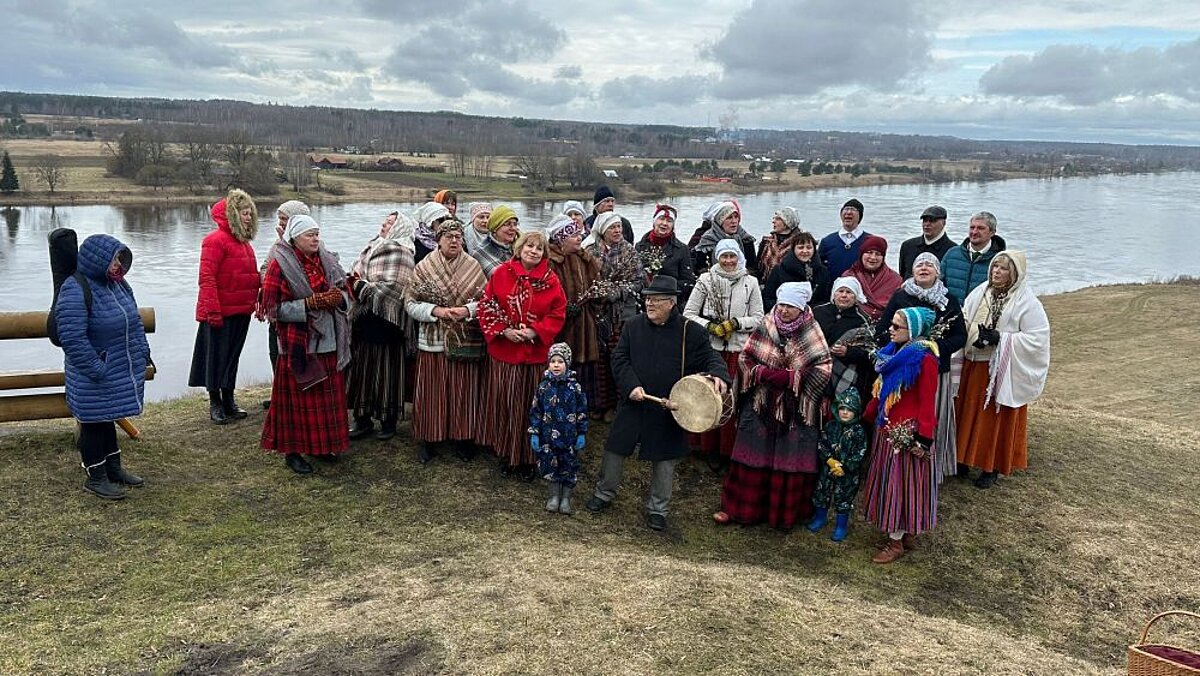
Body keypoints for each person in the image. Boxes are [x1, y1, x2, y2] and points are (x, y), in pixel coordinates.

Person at [586, 275, 731, 531]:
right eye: (647, 299)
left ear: (671, 303)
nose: (649, 304)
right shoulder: (632, 326)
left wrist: (720, 375)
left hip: (669, 408)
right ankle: (603, 493)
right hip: (634, 402)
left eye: (655, 300)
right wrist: (631, 386)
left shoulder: (691, 331)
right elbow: (619, 359)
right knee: (615, 449)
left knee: (665, 461)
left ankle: (658, 509)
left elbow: (712, 358)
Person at [712, 281, 832, 530]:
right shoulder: (766, 326)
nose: (785, 310)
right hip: (761, 403)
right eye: (782, 305)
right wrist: (761, 373)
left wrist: (792, 378)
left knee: (789, 457)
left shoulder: (812, 331)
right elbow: (746, 357)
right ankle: (738, 509)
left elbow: (823, 368)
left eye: (791, 306)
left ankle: (783, 516)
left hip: (796, 410)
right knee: (751, 454)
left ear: (801, 308)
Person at [56, 234, 150, 499]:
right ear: (98, 260)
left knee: (107, 416)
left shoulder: (118, 286)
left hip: (114, 368)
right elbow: (72, 338)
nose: (119, 265)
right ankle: (95, 477)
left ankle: (113, 469)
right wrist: (97, 368)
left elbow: (135, 320)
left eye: (121, 259)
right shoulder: (75, 288)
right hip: (93, 373)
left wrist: (143, 350)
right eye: (114, 260)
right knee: (93, 424)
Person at [260, 214, 352, 475]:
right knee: (298, 404)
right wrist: (309, 304)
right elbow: (273, 309)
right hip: (299, 346)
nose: (315, 239)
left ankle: (320, 447)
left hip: (329, 340)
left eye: (317, 233)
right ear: (294, 238)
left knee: (324, 402)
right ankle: (292, 452)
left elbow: (344, 290)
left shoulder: (328, 260)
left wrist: (338, 298)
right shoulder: (281, 265)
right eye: (309, 235)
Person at [956, 251, 1050, 489]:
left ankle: (991, 465)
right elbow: (965, 317)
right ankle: (962, 458)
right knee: (966, 412)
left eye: (1003, 268)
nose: (997, 271)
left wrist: (1001, 339)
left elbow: (1037, 339)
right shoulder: (980, 292)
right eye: (995, 266)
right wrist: (971, 337)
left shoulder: (1026, 302)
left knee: (992, 420)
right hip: (973, 363)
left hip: (1000, 371)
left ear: (1015, 273)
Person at [477, 231, 567, 477]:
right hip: (506, 354)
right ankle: (506, 452)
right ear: (519, 248)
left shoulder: (551, 280)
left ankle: (528, 458)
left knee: (531, 407)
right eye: (529, 246)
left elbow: (558, 313)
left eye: (539, 248)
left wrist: (534, 331)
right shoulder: (501, 273)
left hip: (533, 357)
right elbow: (486, 306)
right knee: (506, 404)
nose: (534, 251)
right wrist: (504, 330)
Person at [874, 253, 968, 485]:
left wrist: (933, 347)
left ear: (938, 271)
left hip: (934, 367)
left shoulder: (949, 300)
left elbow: (960, 337)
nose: (924, 268)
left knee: (930, 414)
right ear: (912, 271)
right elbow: (884, 329)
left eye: (929, 265)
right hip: (903, 371)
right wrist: (899, 346)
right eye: (919, 264)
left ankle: (931, 468)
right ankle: (896, 468)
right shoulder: (901, 296)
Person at [861, 307, 941, 564]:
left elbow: (928, 400)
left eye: (897, 327)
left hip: (906, 433)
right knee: (897, 483)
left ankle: (895, 541)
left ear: (914, 331)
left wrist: (923, 438)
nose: (891, 330)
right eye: (892, 325)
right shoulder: (891, 353)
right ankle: (905, 533)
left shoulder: (924, 359)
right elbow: (882, 389)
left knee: (901, 486)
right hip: (887, 427)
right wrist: (869, 413)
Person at [405, 218, 489, 464]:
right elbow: (410, 303)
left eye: (458, 237)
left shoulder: (473, 266)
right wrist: (435, 311)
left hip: (464, 339)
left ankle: (462, 438)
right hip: (433, 340)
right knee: (433, 392)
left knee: (463, 390)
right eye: (448, 237)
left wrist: (466, 310)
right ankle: (429, 439)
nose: (454, 241)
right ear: (438, 240)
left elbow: (486, 301)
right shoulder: (424, 267)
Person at [683, 239, 764, 463]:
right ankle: (705, 445)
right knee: (708, 397)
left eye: (732, 256)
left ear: (739, 257)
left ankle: (727, 448)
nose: (728, 261)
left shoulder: (750, 282)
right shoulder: (706, 280)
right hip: (711, 350)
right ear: (717, 258)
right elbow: (688, 313)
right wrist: (710, 326)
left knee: (731, 398)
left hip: (737, 350)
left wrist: (736, 323)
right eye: (724, 256)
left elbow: (758, 318)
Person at [190, 188, 260, 424]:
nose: (249, 216)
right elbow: (206, 278)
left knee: (232, 357)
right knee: (215, 359)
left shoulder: (244, 244)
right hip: (219, 313)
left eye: (250, 212)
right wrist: (213, 311)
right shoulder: (215, 241)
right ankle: (215, 402)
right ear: (232, 214)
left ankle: (229, 399)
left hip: (241, 311)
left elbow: (248, 277)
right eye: (244, 212)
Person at [345, 211, 417, 441]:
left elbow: (396, 287)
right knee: (362, 371)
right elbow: (356, 272)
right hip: (365, 318)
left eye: (389, 223)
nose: (383, 226)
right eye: (384, 222)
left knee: (387, 373)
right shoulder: (372, 247)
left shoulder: (404, 252)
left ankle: (388, 422)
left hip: (390, 323)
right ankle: (362, 419)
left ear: (400, 227)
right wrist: (356, 283)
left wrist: (363, 287)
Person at [583, 211, 644, 422]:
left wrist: (616, 292)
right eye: (612, 228)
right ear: (602, 230)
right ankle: (601, 403)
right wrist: (598, 292)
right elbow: (585, 279)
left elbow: (639, 281)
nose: (617, 231)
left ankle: (619, 405)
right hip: (597, 313)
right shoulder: (590, 251)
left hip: (621, 313)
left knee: (618, 358)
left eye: (619, 227)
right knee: (599, 360)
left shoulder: (630, 252)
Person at [545, 213, 602, 413]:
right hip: (563, 325)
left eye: (580, 234)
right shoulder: (551, 262)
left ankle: (584, 406)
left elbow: (597, 284)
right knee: (564, 359)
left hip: (585, 321)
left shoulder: (584, 259)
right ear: (561, 238)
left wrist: (595, 300)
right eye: (574, 235)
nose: (580, 237)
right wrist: (564, 309)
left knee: (585, 361)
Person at [258, 199, 311, 411]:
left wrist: (279, 284)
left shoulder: (309, 245)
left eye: (284, 220)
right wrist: (269, 285)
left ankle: (294, 398)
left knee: (294, 356)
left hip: (297, 313)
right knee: (275, 354)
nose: (279, 225)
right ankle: (280, 394)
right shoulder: (277, 246)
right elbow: (264, 268)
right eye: (279, 219)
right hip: (276, 311)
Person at [528, 342, 588, 514]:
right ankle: (554, 496)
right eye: (553, 361)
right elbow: (536, 411)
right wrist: (535, 433)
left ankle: (566, 499)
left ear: (567, 363)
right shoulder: (543, 387)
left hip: (569, 437)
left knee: (569, 467)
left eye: (560, 361)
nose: (556, 365)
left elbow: (582, 411)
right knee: (551, 466)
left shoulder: (575, 387)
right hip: (548, 438)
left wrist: (582, 433)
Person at [807, 388, 868, 542]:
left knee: (844, 498)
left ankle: (841, 526)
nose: (845, 413)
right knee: (822, 492)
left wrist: (845, 467)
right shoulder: (830, 426)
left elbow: (860, 452)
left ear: (856, 412)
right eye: (842, 409)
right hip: (828, 470)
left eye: (849, 410)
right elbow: (822, 444)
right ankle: (820, 518)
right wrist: (829, 460)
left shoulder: (859, 431)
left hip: (847, 474)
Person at [813, 277, 876, 402]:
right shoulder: (818, 312)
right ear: (834, 293)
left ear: (855, 297)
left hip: (845, 372)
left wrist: (848, 352)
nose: (844, 295)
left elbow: (869, 352)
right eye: (840, 291)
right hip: (815, 368)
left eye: (849, 292)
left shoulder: (862, 320)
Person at [941, 211, 1007, 305]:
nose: (974, 232)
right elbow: (939, 285)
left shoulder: (1000, 260)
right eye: (972, 227)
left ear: (992, 232)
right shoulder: (952, 254)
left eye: (981, 228)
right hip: (951, 314)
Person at [635, 204, 695, 301]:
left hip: (670, 301)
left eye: (669, 221)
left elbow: (688, 281)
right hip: (644, 300)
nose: (665, 223)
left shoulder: (682, 249)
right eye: (661, 219)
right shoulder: (640, 247)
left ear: (673, 226)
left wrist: (667, 289)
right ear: (654, 222)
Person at [762, 230, 830, 310]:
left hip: (812, 316)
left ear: (814, 249)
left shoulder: (822, 271)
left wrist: (807, 311)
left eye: (809, 247)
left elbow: (825, 300)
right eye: (800, 247)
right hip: (783, 315)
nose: (805, 251)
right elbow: (768, 298)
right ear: (793, 250)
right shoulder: (779, 270)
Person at [693, 201, 759, 277]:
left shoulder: (745, 239)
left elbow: (753, 268)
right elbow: (700, 269)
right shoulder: (708, 240)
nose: (734, 221)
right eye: (729, 218)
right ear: (720, 221)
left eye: (736, 217)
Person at [847, 235, 902, 322]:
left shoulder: (895, 279)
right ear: (861, 254)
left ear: (883, 257)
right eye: (869, 252)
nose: (873, 257)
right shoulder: (848, 277)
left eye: (878, 254)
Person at [818, 198, 871, 280]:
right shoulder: (827, 241)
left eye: (853, 209)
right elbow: (819, 268)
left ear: (860, 216)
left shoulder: (870, 241)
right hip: (832, 290)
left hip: (862, 289)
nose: (848, 212)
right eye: (846, 209)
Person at [898, 205, 954, 279]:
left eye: (932, 220)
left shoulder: (952, 250)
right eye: (925, 220)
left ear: (943, 223)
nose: (927, 224)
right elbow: (902, 276)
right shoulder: (908, 246)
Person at [470, 204, 520, 277]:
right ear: (495, 228)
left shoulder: (521, 247)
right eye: (507, 224)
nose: (513, 228)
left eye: (515, 224)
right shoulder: (479, 252)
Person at [756, 206, 802, 282]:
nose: (773, 221)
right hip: (766, 286)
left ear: (788, 222)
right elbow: (757, 268)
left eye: (778, 219)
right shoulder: (766, 242)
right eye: (774, 218)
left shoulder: (800, 243)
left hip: (790, 287)